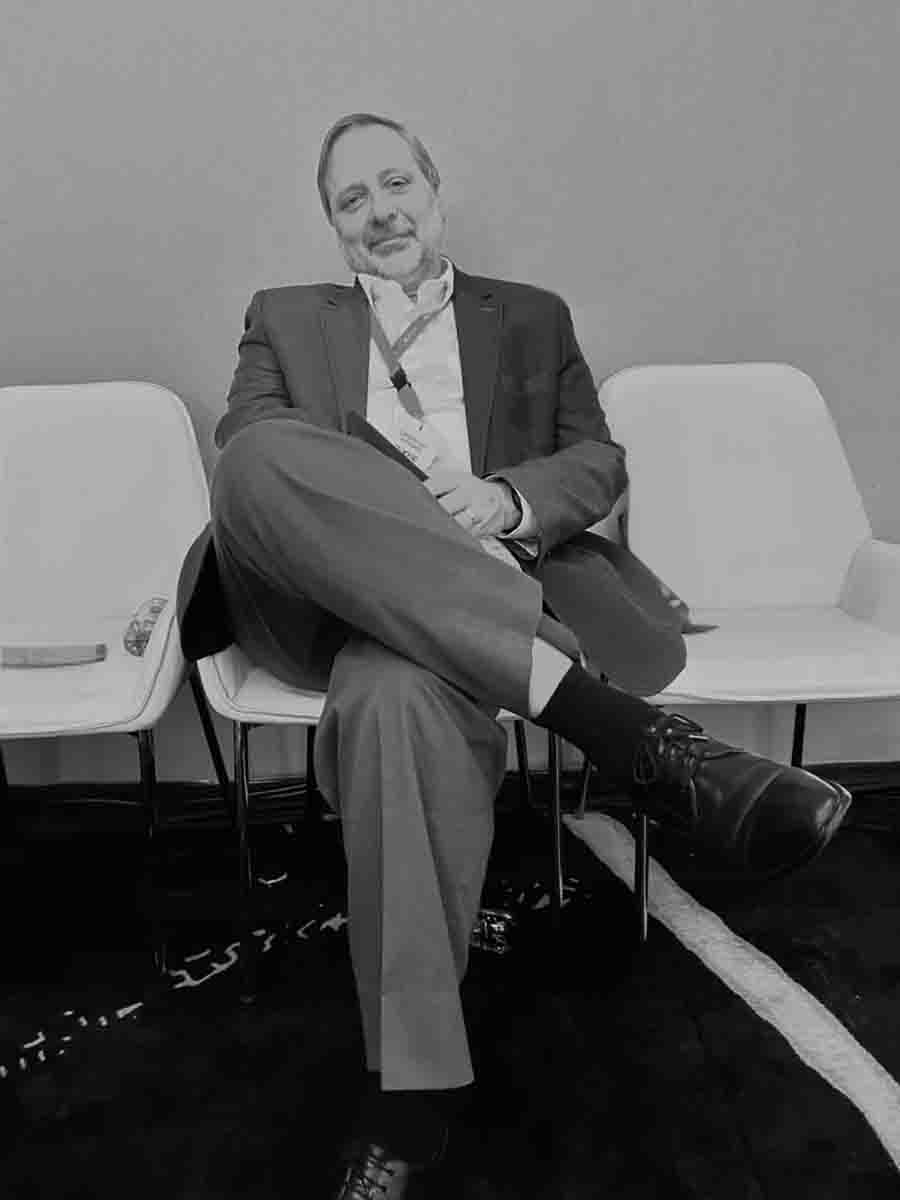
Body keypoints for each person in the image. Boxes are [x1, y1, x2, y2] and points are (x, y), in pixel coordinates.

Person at [177, 113, 851, 1199]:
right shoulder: (286, 317)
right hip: (331, 590)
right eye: (352, 199)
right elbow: (253, 463)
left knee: (396, 698)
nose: (379, 211)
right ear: (335, 230)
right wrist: (406, 514)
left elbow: (597, 459)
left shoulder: (532, 316)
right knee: (254, 457)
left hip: (471, 598)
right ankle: (622, 732)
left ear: (434, 189)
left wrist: (504, 500)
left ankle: (410, 1098)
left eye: (395, 183)